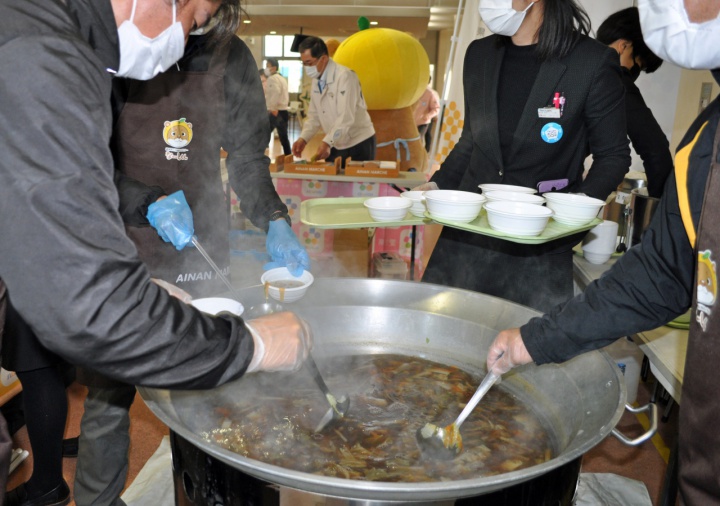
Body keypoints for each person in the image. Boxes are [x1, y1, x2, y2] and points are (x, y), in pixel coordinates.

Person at [0, 0, 313, 502]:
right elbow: (83, 169)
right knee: (107, 402)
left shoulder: (231, 59)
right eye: (192, 19)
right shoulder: (106, 48)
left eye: (202, 25)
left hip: (202, 246)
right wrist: (146, 202)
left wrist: (275, 219)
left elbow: (249, 157)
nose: (191, 33)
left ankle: (200, 492)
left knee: (211, 396)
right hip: (118, 247)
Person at [486, 1, 720, 504]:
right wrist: (533, 341)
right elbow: (661, 274)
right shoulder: (707, 139)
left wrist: (574, 212)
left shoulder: (596, 71)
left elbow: (623, 154)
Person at [421, 0, 630, 313]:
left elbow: (613, 156)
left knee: (523, 353)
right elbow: (472, 140)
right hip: (468, 236)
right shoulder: (479, 54)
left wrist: (569, 217)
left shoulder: (590, 61)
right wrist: (435, 188)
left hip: (539, 245)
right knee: (439, 341)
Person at [597, 7, 673, 198]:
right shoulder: (616, 80)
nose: (634, 75)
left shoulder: (575, 64)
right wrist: (659, 208)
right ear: (624, 46)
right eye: (637, 65)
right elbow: (656, 151)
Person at [291, 37, 376, 165]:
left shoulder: (345, 77)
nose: (306, 67)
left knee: (358, 184)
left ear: (323, 58)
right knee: (334, 182)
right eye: (303, 63)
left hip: (359, 141)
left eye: (309, 63)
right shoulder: (316, 80)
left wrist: (327, 142)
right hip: (335, 142)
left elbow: (346, 117)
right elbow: (314, 116)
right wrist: (303, 138)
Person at [264, 57, 292, 156]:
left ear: (274, 68)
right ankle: (288, 155)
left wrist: (272, 108)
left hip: (276, 111)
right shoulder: (282, 78)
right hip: (283, 110)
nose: (266, 68)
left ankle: (257, 155)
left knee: (264, 133)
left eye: (268, 66)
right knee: (283, 136)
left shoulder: (272, 78)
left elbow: (275, 93)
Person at [413, 78, 441, 153]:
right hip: (413, 121)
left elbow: (436, 108)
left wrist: (429, 116)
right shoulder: (414, 92)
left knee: (421, 137)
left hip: (424, 121)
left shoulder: (431, 93)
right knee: (414, 139)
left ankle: (425, 153)